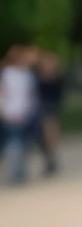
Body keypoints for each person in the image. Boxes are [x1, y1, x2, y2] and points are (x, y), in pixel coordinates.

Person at [2, 45, 40, 186]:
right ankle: (17, 173)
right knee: (17, 143)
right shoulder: (19, 74)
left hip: (15, 112)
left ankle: (18, 172)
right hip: (16, 112)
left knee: (19, 142)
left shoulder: (10, 73)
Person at [33, 49, 63, 175]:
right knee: (42, 138)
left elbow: (58, 95)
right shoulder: (37, 77)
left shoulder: (56, 78)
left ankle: (51, 161)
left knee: (50, 137)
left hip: (50, 110)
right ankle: (49, 161)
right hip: (38, 109)